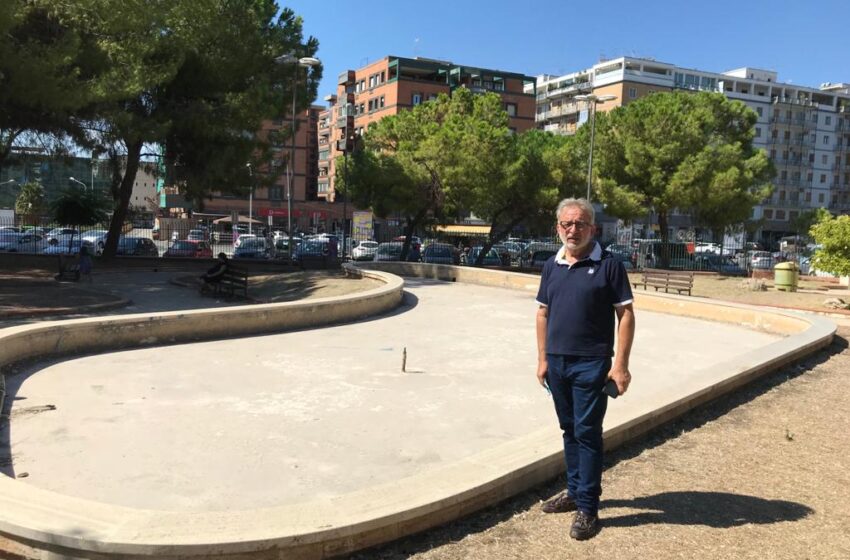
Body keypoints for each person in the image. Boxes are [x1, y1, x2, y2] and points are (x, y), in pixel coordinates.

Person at [536, 197, 636, 540]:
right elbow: (542, 313)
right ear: (558, 228)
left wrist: (620, 365)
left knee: (588, 433)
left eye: (579, 224)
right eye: (566, 224)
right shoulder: (552, 265)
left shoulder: (609, 265)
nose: (572, 230)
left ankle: (588, 509)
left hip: (592, 364)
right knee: (569, 429)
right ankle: (575, 492)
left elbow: (626, 315)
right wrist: (543, 360)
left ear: (592, 228)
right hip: (558, 363)